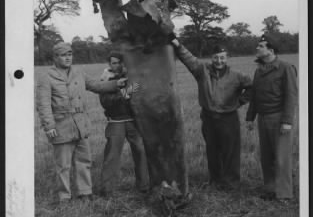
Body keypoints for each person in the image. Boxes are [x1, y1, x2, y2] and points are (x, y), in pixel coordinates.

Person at [36, 42, 128, 204]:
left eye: (70, 54)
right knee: (63, 165)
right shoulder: (47, 77)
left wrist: (116, 84)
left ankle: (85, 193)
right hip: (61, 125)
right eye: (63, 55)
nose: (68, 58)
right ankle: (64, 197)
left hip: (81, 124)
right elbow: (43, 105)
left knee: (84, 161)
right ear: (55, 57)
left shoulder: (78, 73)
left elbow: (96, 85)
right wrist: (49, 126)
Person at [170, 38, 252, 190]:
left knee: (230, 151)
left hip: (228, 119)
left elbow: (252, 88)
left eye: (222, 57)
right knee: (212, 150)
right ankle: (215, 180)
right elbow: (189, 59)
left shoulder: (237, 75)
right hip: (208, 118)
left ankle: (231, 183)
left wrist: (239, 102)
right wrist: (177, 45)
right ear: (211, 58)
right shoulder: (202, 71)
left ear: (227, 58)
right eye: (215, 57)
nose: (219, 61)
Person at [246, 34, 298, 201]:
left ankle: (284, 194)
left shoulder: (285, 68)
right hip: (263, 118)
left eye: (261, 46)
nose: (257, 49)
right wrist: (250, 117)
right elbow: (254, 96)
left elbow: (291, 96)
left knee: (282, 158)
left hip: (279, 119)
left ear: (271, 50)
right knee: (267, 156)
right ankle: (270, 189)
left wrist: (287, 121)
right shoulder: (259, 71)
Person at [98, 52, 150, 196]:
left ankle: (144, 186)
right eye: (114, 63)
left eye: (120, 62)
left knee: (141, 151)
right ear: (109, 65)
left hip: (134, 121)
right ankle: (107, 190)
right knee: (112, 154)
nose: (118, 65)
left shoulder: (132, 77)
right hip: (116, 121)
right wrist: (127, 92)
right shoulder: (105, 80)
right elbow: (106, 102)